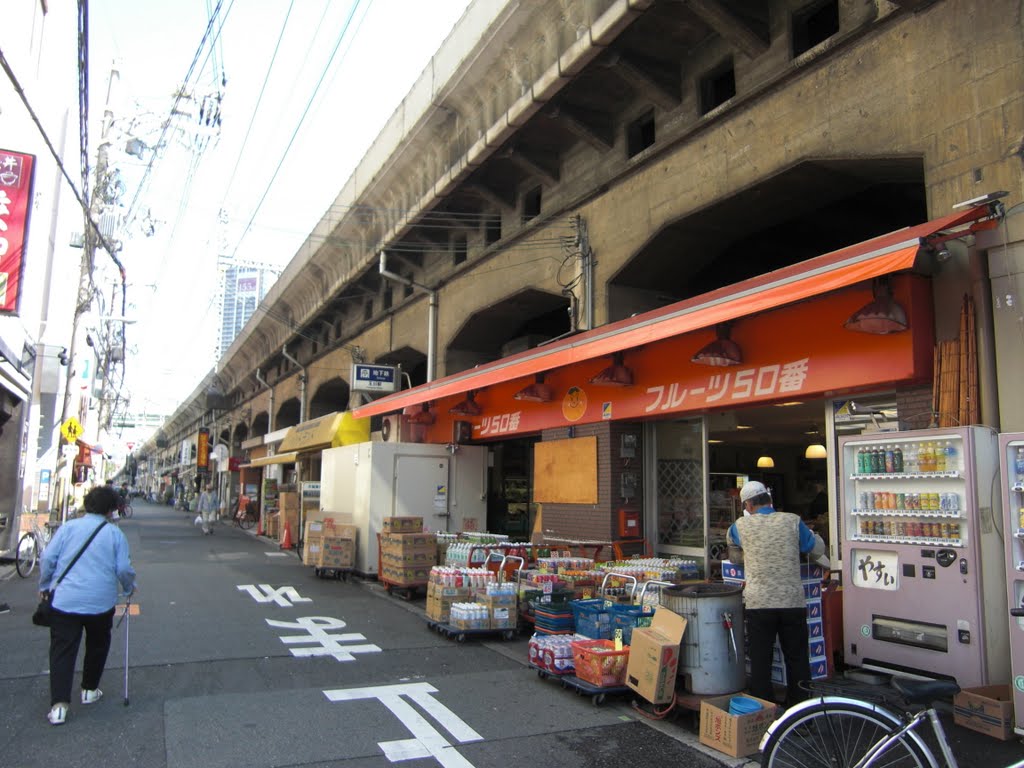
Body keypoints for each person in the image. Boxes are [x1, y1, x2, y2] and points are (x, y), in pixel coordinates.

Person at [38, 484, 136, 725]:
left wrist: (44, 586)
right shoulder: (115, 535)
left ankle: (59, 705)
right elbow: (123, 569)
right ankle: (89, 690)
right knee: (98, 644)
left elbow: (48, 558)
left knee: (62, 650)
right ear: (111, 509)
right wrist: (128, 588)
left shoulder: (68, 528)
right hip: (100, 602)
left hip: (65, 600)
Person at [727, 480, 825, 708]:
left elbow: (734, 553)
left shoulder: (740, 526)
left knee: (761, 660)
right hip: (792, 601)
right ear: (770, 500)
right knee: (798, 659)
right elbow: (814, 548)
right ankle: (801, 712)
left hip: (759, 602)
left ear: (748, 505)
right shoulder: (793, 521)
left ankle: (763, 712)